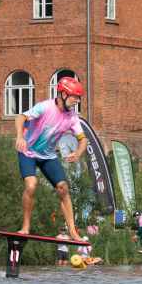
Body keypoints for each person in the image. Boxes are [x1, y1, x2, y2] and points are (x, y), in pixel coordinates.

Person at [14, 77, 87, 241]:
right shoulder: (45, 107)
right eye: (74, 97)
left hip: (48, 156)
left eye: (79, 97)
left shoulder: (72, 117)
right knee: (31, 185)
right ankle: (25, 227)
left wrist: (78, 153)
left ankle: (73, 232)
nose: (77, 100)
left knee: (63, 188)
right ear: (62, 94)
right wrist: (20, 137)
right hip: (28, 151)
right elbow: (20, 117)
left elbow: (83, 139)